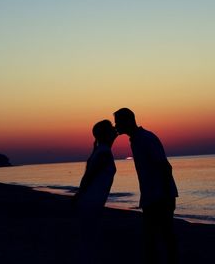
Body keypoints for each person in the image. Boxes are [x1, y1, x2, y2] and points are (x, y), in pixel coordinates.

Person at [113, 108, 179, 264]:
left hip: (160, 197)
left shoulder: (145, 138)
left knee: (161, 236)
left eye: (118, 122)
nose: (116, 126)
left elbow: (165, 166)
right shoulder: (136, 140)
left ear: (128, 121)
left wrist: (166, 194)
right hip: (152, 196)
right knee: (155, 237)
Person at [73, 119, 117, 263]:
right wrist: (79, 195)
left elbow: (88, 175)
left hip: (91, 201)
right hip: (91, 202)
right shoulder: (103, 153)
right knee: (90, 240)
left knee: (88, 239)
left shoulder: (101, 151)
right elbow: (89, 176)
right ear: (105, 134)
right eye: (111, 128)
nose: (114, 129)